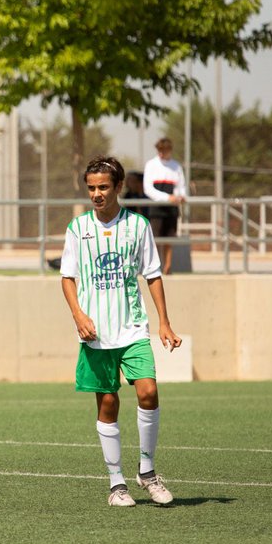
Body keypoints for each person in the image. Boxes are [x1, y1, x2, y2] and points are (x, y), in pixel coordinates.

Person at [60, 155, 182, 508]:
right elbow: (67, 278)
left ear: (119, 187)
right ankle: (117, 484)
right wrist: (78, 315)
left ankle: (147, 472)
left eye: (103, 187)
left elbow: (153, 274)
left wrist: (164, 322)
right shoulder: (78, 228)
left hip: (133, 330)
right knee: (108, 402)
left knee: (148, 392)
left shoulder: (138, 226)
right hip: (96, 334)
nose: (97, 194)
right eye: (92, 188)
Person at [143, 137, 188, 275]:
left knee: (169, 238)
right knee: (156, 239)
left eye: (165, 150)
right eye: (160, 150)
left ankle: (168, 266)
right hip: (157, 207)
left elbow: (181, 187)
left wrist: (180, 196)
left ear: (170, 150)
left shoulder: (176, 166)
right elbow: (148, 188)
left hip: (172, 208)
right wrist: (167, 198)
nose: (162, 153)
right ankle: (156, 267)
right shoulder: (151, 164)